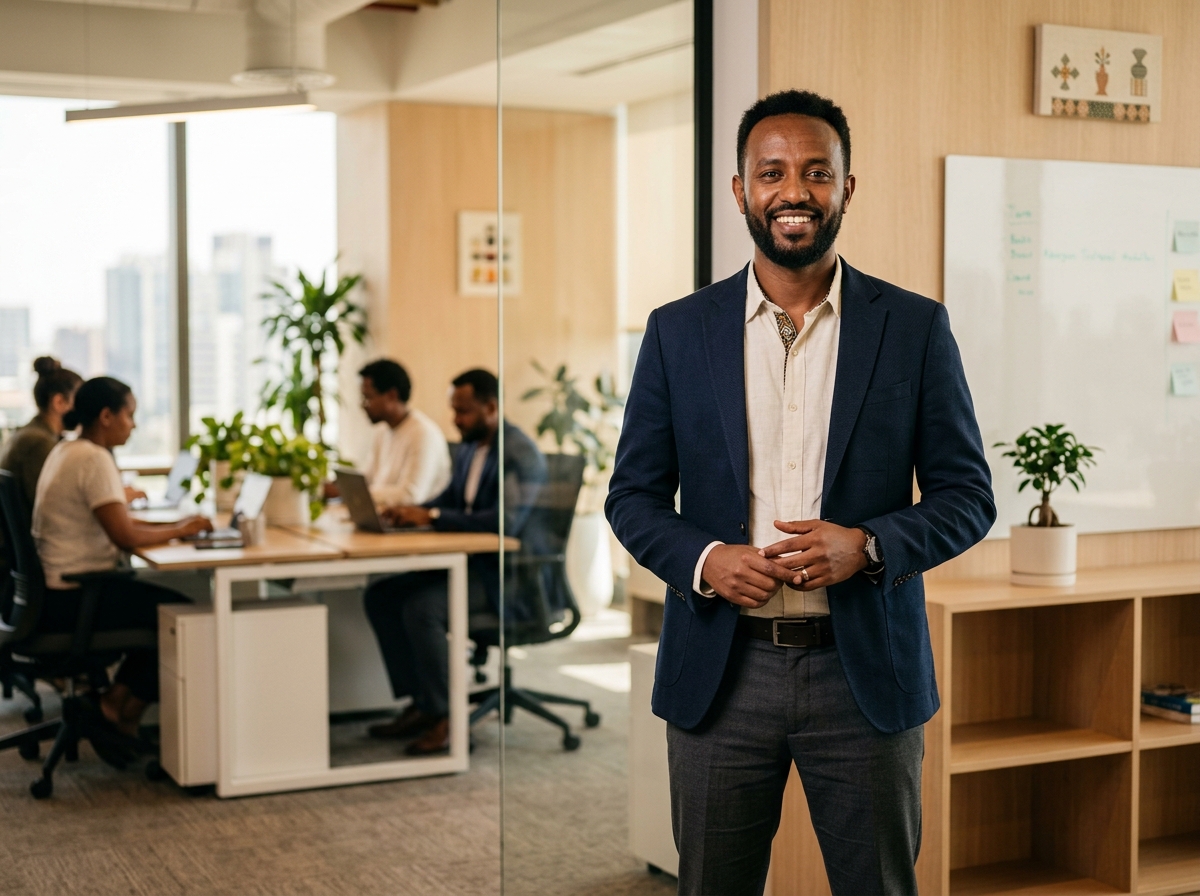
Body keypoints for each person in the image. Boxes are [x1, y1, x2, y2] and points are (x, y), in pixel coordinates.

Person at [605, 90, 996, 896]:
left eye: (817, 173)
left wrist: (872, 545)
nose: (795, 191)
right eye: (773, 172)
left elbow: (967, 494)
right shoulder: (678, 331)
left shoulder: (914, 328)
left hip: (865, 677)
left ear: (848, 187)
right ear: (741, 189)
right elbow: (632, 495)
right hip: (721, 674)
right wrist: (707, 559)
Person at [363, 368, 546, 755]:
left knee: (421, 609)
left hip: (506, 577)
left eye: (462, 411)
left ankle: (449, 719)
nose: (455, 420)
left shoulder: (518, 453)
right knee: (381, 595)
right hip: (473, 567)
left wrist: (431, 519)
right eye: (453, 410)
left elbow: (505, 522)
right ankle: (423, 704)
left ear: (491, 407)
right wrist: (415, 510)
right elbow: (451, 499)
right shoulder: (469, 446)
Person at [32, 377, 212, 759]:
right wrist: (182, 529)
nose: (134, 424)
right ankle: (115, 707)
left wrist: (177, 531)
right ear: (106, 416)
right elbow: (125, 537)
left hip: (54, 596)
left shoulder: (67, 450)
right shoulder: (93, 458)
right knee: (178, 616)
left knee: (168, 608)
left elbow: (123, 526)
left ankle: (121, 714)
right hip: (77, 599)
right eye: (130, 415)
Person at [334, 359, 451, 506]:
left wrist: (350, 493)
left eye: (368, 397)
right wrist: (342, 487)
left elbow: (410, 495)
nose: (363, 405)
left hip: (417, 525)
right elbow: (368, 480)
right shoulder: (383, 431)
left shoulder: (423, 434)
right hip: (384, 517)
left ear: (391, 395)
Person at [0, 357, 82, 507]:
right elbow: (52, 503)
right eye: (79, 401)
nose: (84, 410)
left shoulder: (29, 434)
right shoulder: (39, 442)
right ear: (59, 402)